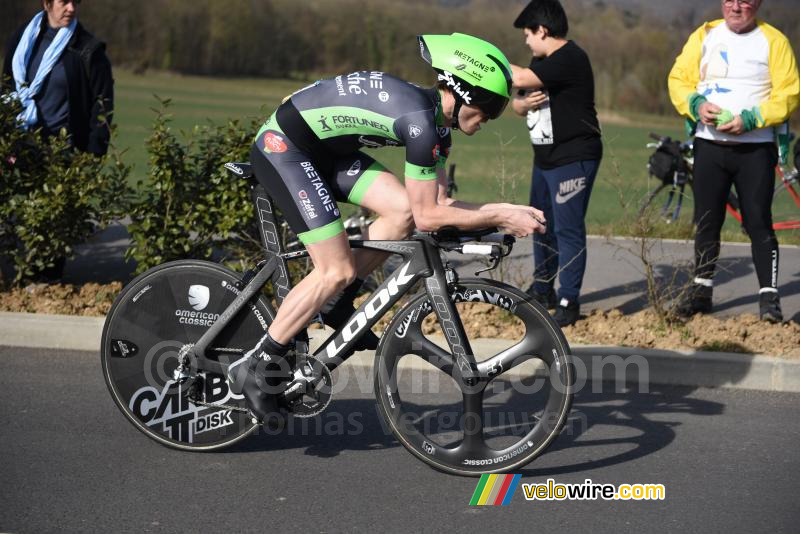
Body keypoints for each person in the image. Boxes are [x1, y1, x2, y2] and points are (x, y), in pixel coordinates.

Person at [228, 33, 548, 421]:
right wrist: (497, 213)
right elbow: (433, 215)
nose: (490, 118)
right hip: (286, 149)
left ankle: (335, 302)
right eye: (489, 106)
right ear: (462, 91)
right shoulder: (420, 123)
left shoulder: (437, 126)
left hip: (327, 152)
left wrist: (502, 213)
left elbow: (435, 206)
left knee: (403, 213)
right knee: (336, 268)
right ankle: (256, 367)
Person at [668, 0, 799, 322]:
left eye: (745, 1)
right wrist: (696, 104)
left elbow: (789, 93)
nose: (736, 7)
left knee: (757, 221)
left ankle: (769, 298)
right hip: (709, 145)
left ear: (757, 4)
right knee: (706, 220)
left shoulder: (774, 40)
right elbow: (678, 80)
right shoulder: (706, 33)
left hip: (755, 148)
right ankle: (701, 290)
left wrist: (753, 118)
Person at [508, 0, 603, 327]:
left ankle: (568, 300)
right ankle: (544, 288)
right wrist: (520, 106)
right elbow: (518, 100)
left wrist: (482, 63)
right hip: (545, 160)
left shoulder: (570, 58)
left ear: (543, 30)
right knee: (540, 224)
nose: (526, 41)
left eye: (527, 34)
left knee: (567, 229)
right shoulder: (542, 60)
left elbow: (517, 76)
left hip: (573, 158)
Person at [2, 0, 114, 156]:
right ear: (47, 3)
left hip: (62, 156)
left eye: (75, 2)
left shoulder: (89, 50)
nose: (71, 8)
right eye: (64, 2)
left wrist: (94, 153)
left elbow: (103, 103)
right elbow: (6, 87)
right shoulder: (22, 38)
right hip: (19, 149)